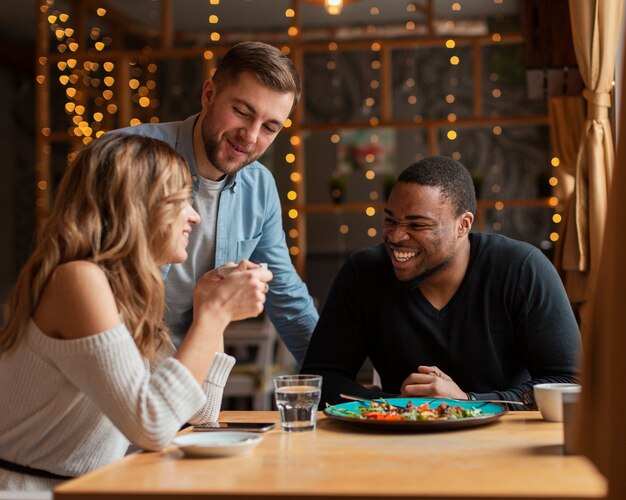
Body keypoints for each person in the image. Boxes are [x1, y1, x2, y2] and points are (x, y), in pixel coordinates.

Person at [0, 133, 272, 490]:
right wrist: (215, 314)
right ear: (136, 207)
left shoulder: (123, 291)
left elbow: (199, 414)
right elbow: (153, 426)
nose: (195, 217)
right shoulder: (78, 280)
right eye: (181, 201)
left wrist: (208, 305)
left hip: (85, 489)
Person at [301, 155, 581, 407]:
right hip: (398, 445)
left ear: (463, 225)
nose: (396, 237)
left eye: (417, 225)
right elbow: (319, 380)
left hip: (505, 447)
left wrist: (466, 402)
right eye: (390, 221)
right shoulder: (363, 273)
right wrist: (392, 403)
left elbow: (570, 383)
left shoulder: (522, 269)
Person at [115, 41, 317, 363]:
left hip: (189, 377)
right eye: (241, 112)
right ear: (209, 95)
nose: (250, 137)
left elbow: (286, 297)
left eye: (269, 127)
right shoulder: (125, 155)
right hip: (109, 371)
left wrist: (338, 380)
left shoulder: (260, 187)